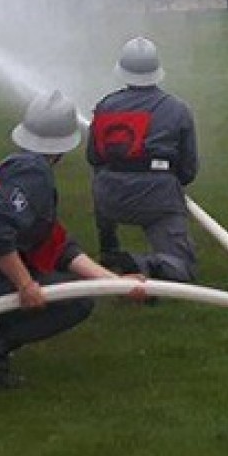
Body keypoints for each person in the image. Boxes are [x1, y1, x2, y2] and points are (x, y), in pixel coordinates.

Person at [0, 89, 144, 389]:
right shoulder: (34, 177)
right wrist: (25, 285)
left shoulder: (16, 167)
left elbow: (58, 245)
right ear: (65, 145)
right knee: (76, 301)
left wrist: (114, 284)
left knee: (45, 273)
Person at [86, 36, 199, 283]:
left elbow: (93, 158)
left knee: (99, 176)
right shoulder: (178, 109)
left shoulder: (104, 106)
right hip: (158, 201)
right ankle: (140, 263)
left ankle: (109, 249)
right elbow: (189, 170)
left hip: (109, 200)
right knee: (182, 268)